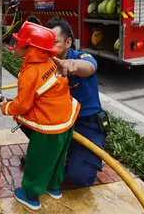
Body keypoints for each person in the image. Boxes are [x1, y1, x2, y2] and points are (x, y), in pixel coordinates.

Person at [0, 21, 80, 211]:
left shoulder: (30, 71)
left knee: (38, 160)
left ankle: (31, 196)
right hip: (66, 121)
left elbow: (23, 104)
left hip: (48, 128)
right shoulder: (49, 61)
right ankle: (54, 187)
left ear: (30, 47)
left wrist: (6, 107)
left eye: (19, 42)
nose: (14, 45)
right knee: (57, 158)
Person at [45, 17, 110, 188]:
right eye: (47, 42)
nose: (50, 47)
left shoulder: (80, 57)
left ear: (68, 42)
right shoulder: (45, 61)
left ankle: (85, 156)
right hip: (60, 121)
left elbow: (89, 67)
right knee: (25, 120)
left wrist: (71, 64)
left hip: (85, 124)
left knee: (79, 178)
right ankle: (51, 152)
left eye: (55, 42)